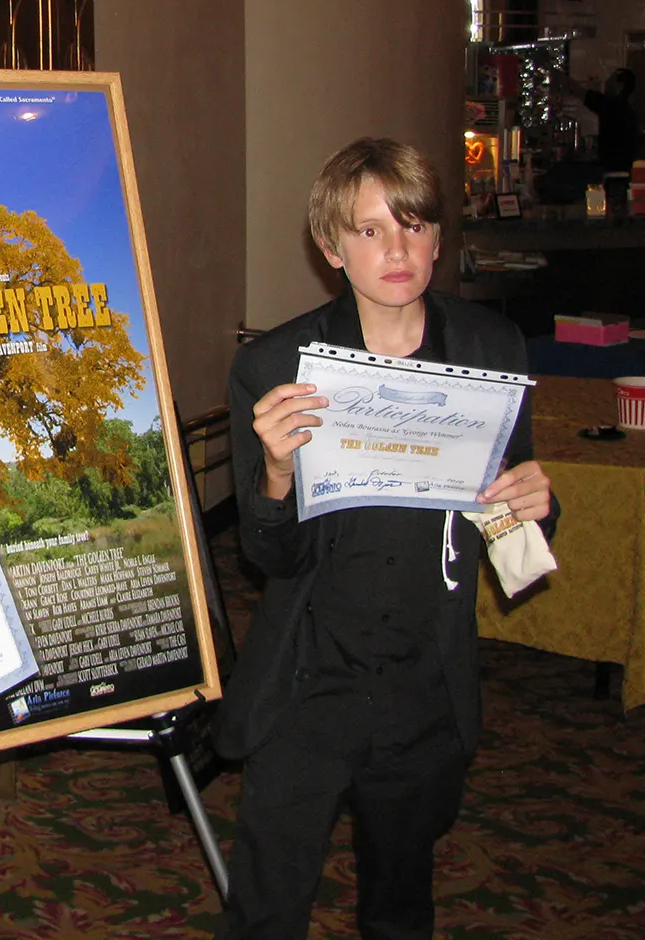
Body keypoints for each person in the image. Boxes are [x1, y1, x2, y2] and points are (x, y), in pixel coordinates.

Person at [214, 138, 556, 940]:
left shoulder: (489, 348)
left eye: (412, 225)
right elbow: (269, 558)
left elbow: (506, 512)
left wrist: (535, 504)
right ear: (332, 249)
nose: (395, 249)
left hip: (426, 680)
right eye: (369, 231)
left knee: (402, 907)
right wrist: (273, 473)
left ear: (439, 238)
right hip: (308, 680)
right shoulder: (275, 366)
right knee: (266, 909)